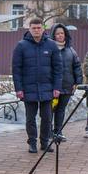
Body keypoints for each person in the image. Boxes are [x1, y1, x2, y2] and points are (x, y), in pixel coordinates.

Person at [12, 18, 63, 153]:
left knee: (46, 118)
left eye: (39, 28)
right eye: (33, 28)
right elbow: (16, 70)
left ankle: (45, 142)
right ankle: (32, 143)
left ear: (43, 28)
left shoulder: (51, 45)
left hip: (47, 88)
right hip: (28, 89)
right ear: (29, 29)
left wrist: (57, 87)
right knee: (30, 118)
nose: (36, 30)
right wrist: (19, 89)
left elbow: (58, 68)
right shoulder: (21, 46)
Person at [51, 24, 84, 137]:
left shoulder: (71, 51)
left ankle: (58, 132)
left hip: (67, 85)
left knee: (60, 110)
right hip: (52, 87)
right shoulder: (50, 49)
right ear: (53, 35)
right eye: (57, 34)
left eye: (62, 33)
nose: (60, 35)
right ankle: (48, 132)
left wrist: (77, 82)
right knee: (49, 110)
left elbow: (77, 67)